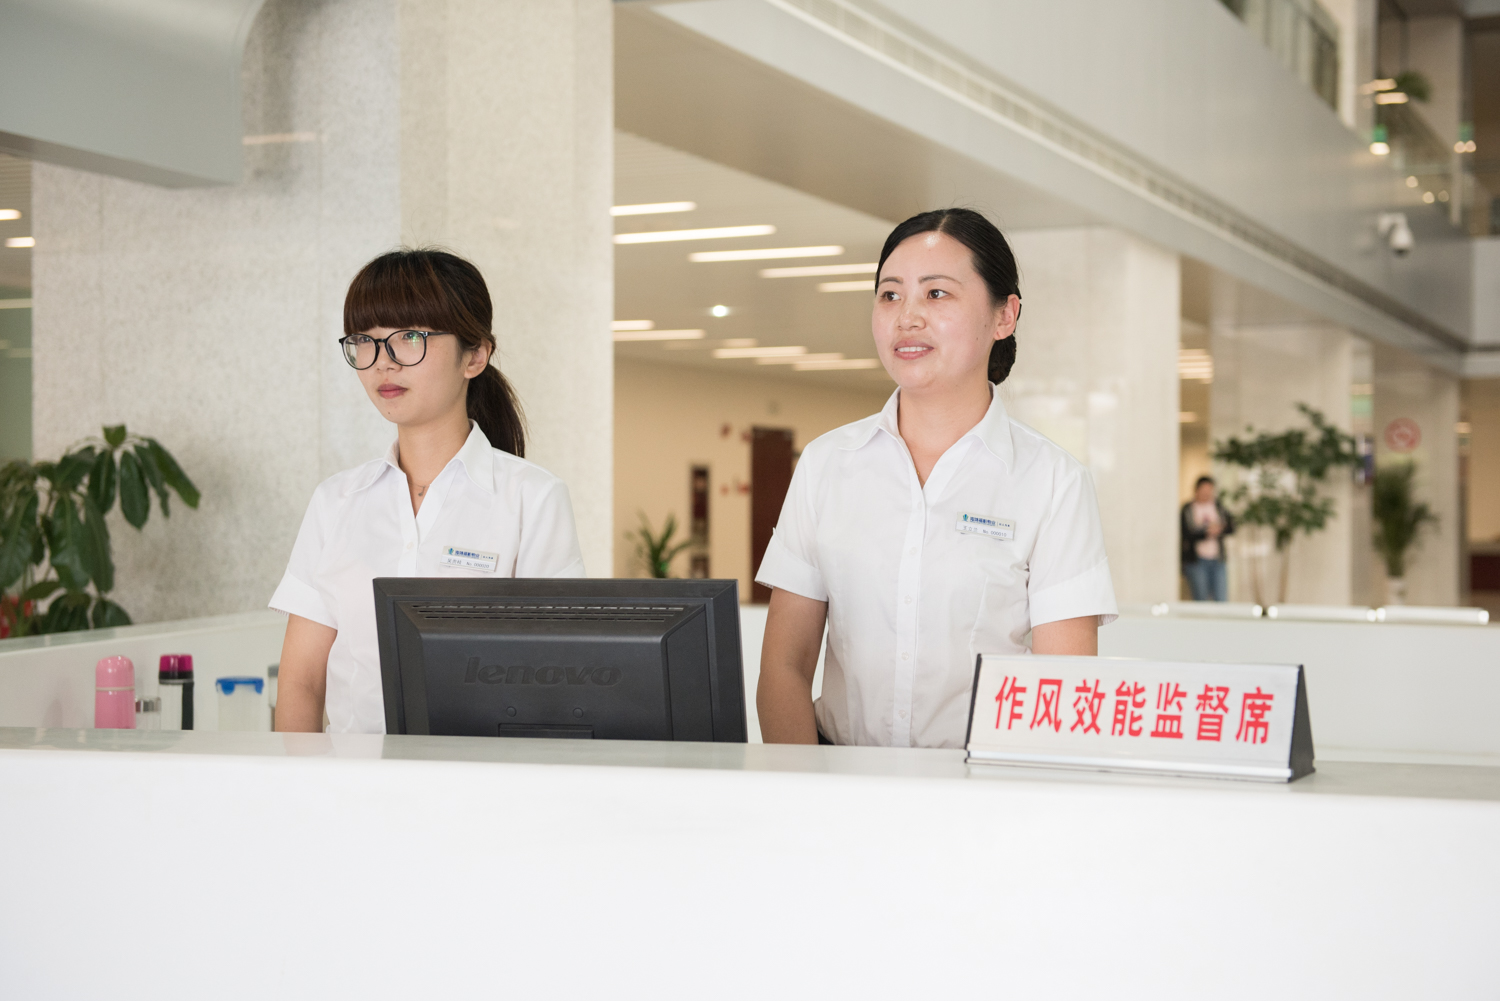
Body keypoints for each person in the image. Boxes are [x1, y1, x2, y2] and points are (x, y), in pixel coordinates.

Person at [755, 209, 1118, 749]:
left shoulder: (1053, 482)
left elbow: (1063, 690)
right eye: (890, 295)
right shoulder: (826, 464)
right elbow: (784, 667)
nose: (907, 317)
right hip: (836, 781)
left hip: (982, 789)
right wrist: (809, 787)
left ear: (1004, 316)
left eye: (937, 293)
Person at [270, 249, 585, 733]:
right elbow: (301, 683)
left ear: (474, 356)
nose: (383, 362)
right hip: (350, 776)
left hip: (479, 776)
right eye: (365, 341)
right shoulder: (335, 501)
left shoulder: (533, 499)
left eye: (409, 338)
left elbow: (556, 682)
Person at [1180, 475, 1234, 602]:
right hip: (1197, 561)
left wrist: (1220, 529)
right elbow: (1186, 533)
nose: (1207, 493)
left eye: (1209, 490)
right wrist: (1206, 533)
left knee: (1221, 598)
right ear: (1197, 490)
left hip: (1217, 559)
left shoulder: (1218, 507)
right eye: (1204, 490)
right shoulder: (1188, 509)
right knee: (1201, 598)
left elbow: (1231, 526)